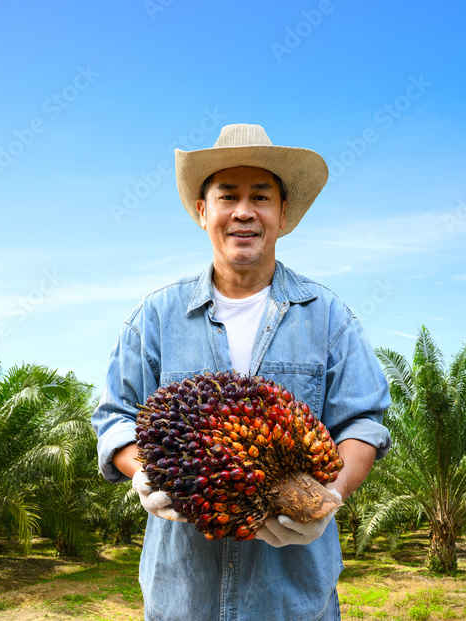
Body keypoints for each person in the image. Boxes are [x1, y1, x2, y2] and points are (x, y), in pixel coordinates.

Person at [91, 123, 391, 621]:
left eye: (261, 197)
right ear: (202, 211)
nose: (244, 212)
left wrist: (330, 497)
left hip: (292, 599)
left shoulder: (329, 316)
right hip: (182, 596)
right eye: (227, 195)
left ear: (283, 214)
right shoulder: (157, 316)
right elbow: (115, 417)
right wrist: (141, 470)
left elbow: (362, 422)